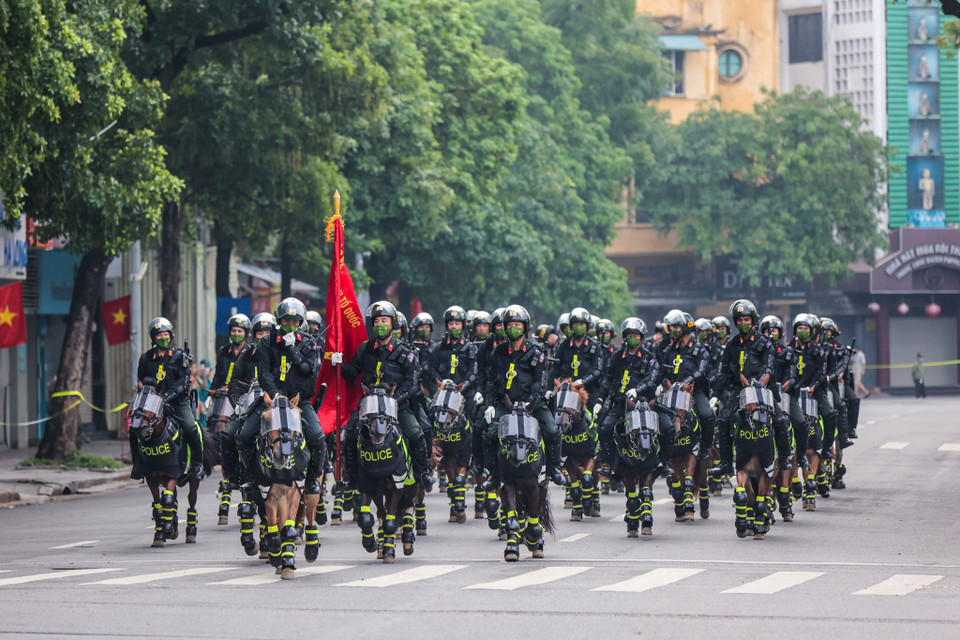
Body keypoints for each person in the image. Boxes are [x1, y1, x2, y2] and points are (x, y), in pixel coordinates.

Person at [333, 300, 433, 488]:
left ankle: (423, 473)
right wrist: (338, 365)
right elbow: (353, 373)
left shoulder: (405, 352)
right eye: (377, 321)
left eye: (384, 321)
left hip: (397, 405)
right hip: (369, 405)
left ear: (393, 323)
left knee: (416, 433)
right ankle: (352, 477)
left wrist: (395, 399)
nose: (380, 325)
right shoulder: (366, 348)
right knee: (352, 432)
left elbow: (412, 383)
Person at [236, 298, 326, 493]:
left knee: (318, 437)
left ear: (301, 322)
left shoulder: (310, 343)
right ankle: (251, 476)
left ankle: (312, 480)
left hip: (298, 400)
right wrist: (274, 394)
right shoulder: (267, 341)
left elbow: (307, 371)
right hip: (271, 398)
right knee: (244, 436)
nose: (290, 325)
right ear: (279, 320)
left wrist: (292, 349)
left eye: (295, 322)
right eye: (286, 321)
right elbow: (264, 371)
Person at [481, 305, 564, 488]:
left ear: (525, 327)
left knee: (552, 430)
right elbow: (492, 381)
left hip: (532, 404)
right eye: (509, 324)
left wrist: (532, 400)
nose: (513, 328)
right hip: (506, 403)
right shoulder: (498, 352)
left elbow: (541, 380)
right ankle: (492, 474)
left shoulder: (536, 352)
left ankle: (553, 468)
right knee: (489, 434)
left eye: (517, 324)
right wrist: (490, 404)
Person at [134, 317, 205, 480]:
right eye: (159, 335)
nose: (163, 338)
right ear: (153, 338)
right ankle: (138, 465)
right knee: (135, 428)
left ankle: (197, 464)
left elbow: (184, 381)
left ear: (171, 336)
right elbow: (141, 380)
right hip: (152, 405)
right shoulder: (145, 358)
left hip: (177, 403)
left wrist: (167, 397)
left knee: (191, 428)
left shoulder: (180, 356)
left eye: (166, 334)